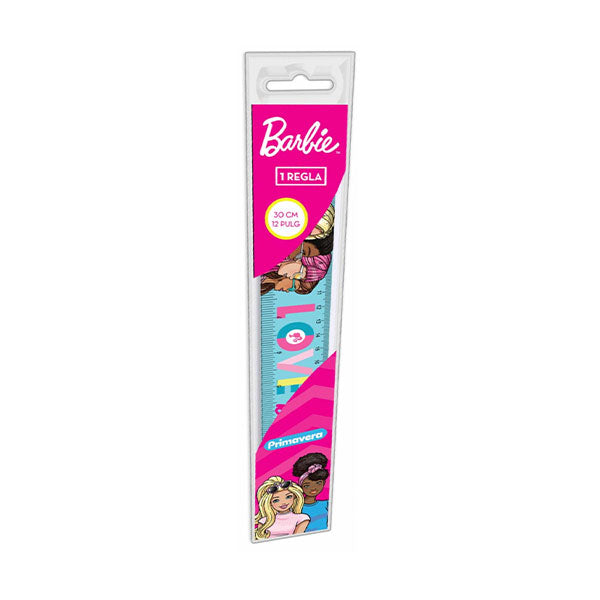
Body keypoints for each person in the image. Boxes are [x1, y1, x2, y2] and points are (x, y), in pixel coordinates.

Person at [292, 453, 330, 533]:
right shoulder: (295, 506)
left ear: (323, 483)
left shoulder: (326, 504)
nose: (313, 488)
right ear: (301, 486)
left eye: (318, 483)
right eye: (307, 485)